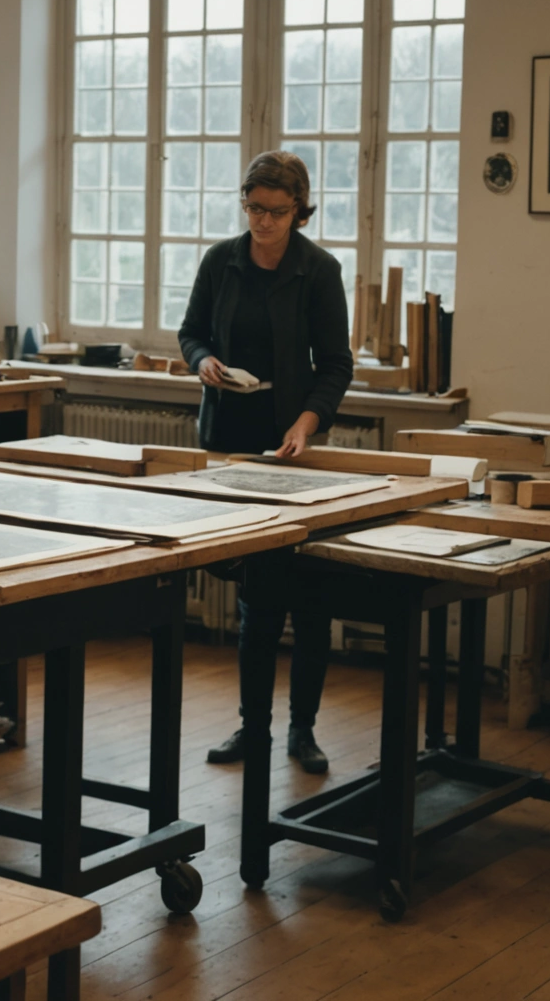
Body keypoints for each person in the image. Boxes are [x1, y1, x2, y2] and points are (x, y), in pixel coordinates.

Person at [179, 150, 353, 775]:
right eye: (254, 208)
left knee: (307, 599)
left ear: (299, 211)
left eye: (277, 212)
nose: (263, 222)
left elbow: (336, 365)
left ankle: (303, 730)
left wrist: (307, 423)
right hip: (230, 438)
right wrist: (202, 361)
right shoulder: (220, 261)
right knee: (256, 598)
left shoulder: (319, 270)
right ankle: (253, 728)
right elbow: (191, 332)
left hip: (292, 442)